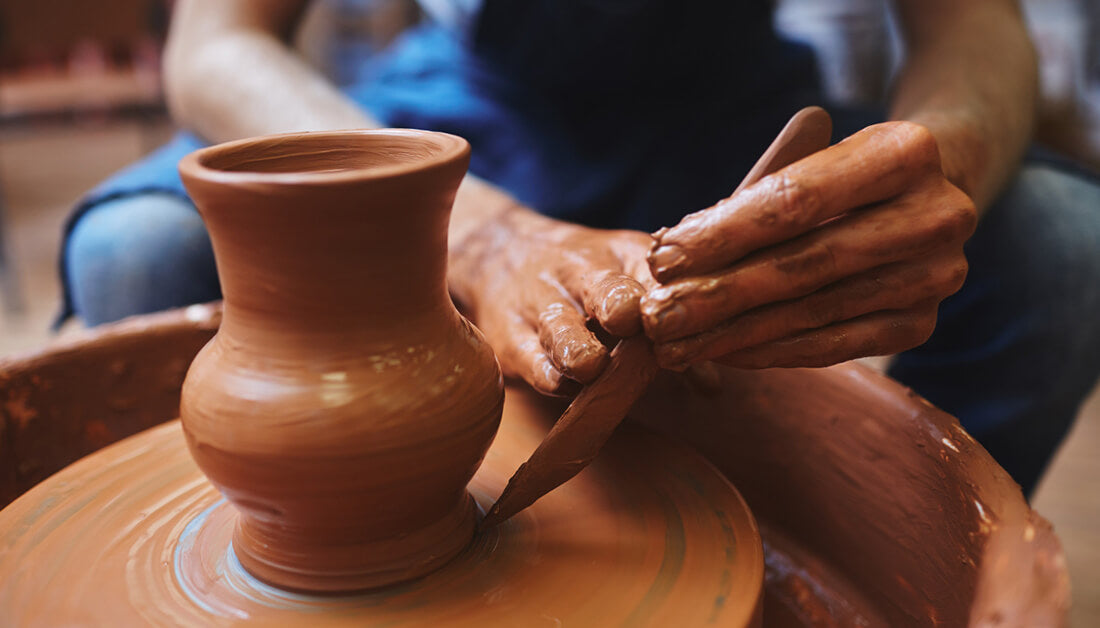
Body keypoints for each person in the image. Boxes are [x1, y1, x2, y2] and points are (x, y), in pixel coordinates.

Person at [60, 0, 1100, 497]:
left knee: (1063, 245)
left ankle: (868, 541)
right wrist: (473, 226)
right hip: (456, 107)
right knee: (141, 251)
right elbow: (216, 40)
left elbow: (974, 26)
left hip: (723, 109)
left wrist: (941, 159)